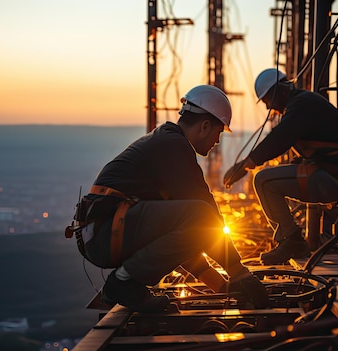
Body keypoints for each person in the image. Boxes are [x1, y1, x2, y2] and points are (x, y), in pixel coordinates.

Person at [66, 84, 271, 313]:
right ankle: (124, 282)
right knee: (201, 214)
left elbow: (183, 241)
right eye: (218, 133)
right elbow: (207, 216)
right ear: (204, 126)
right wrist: (240, 273)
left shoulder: (167, 141)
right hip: (105, 232)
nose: (217, 141)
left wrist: (222, 286)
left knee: (194, 221)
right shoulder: (174, 146)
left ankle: (127, 281)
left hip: (101, 233)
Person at [223, 68, 338, 265]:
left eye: (267, 100)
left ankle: (291, 241)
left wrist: (245, 165)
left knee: (264, 181)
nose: (268, 108)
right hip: (336, 175)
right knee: (272, 179)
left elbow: (280, 138)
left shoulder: (301, 104)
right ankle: (290, 238)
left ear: (278, 91)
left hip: (333, 179)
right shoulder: (302, 102)